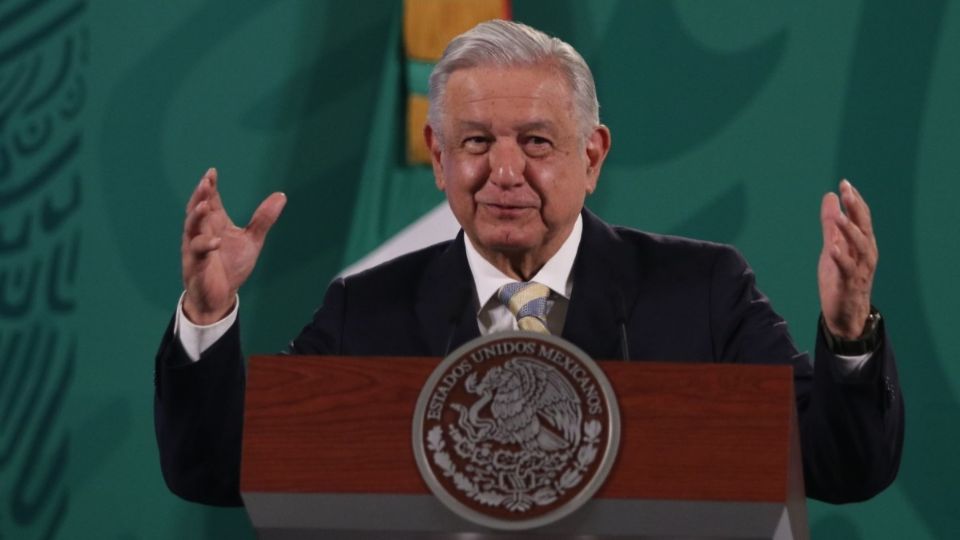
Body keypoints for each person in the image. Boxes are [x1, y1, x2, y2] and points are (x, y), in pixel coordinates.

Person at [155, 20, 903, 507]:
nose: (504, 171)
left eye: (537, 142)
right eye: (477, 143)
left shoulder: (700, 291)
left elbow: (840, 469)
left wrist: (847, 333)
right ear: (440, 159)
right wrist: (208, 315)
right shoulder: (367, 310)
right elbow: (217, 470)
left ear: (593, 155)